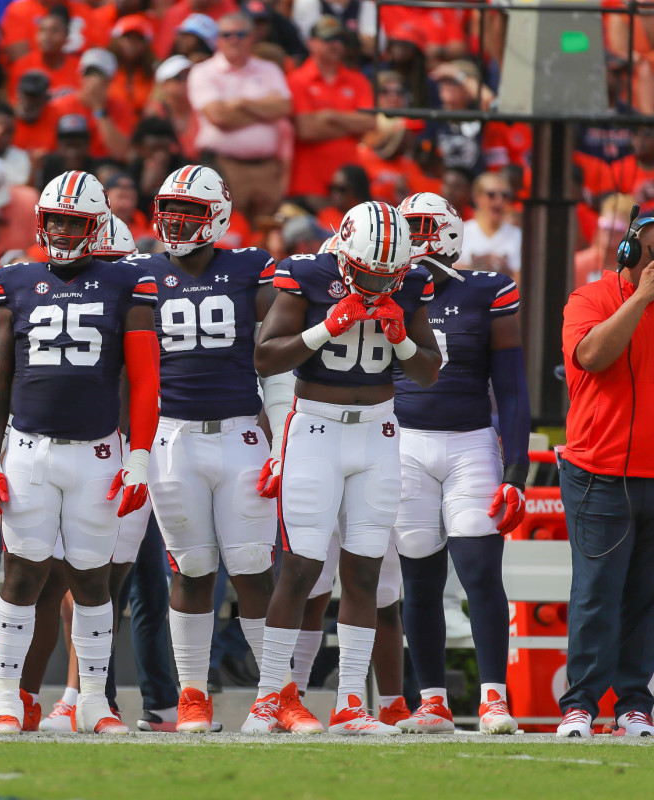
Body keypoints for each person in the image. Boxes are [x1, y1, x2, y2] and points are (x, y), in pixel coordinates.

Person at [0, 170, 161, 734]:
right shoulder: (17, 281)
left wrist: (140, 456)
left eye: (73, 220)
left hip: (98, 453)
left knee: (91, 580)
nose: (61, 229)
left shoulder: (126, 283)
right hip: (29, 449)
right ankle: (8, 696)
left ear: (95, 224)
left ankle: (94, 700)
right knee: (23, 575)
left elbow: (144, 378)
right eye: (54, 218)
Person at [252, 200, 440, 735]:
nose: (379, 282)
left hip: (378, 430)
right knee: (302, 568)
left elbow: (428, 371)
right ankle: (268, 700)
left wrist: (400, 334)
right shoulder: (306, 275)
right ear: (345, 254)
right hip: (314, 426)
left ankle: (351, 704)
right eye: (368, 272)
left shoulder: (411, 284)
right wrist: (324, 329)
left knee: (364, 569)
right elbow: (265, 356)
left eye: (389, 273)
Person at [126, 165, 278, 732]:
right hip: (171, 438)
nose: (176, 221)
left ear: (216, 215)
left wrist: (279, 425)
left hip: (239, 430)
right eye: (169, 209)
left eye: (189, 210)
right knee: (190, 569)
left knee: (253, 568)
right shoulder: (140, 272)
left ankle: (272, 695)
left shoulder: (250, 265)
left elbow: (283, 334)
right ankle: (193, 695)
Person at [392, 192, 526, 734]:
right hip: (404, 444)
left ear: (450, 233)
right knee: (419, 581)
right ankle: (432, 702)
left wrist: (514, 471)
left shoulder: (487, 290)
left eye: (426, 226)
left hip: (470, 443)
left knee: (479, 573)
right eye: (409, 227)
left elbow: (511, 387)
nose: (417, 238)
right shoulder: (389, 291)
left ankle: (495, 698)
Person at [556, 211, 654, 739]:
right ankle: (580, 704)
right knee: (598, 591)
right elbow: (593, 356)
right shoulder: (590, 299)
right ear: (631, 254)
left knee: (649, 593)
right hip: (600, 470)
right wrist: (641, 300)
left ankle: (634, 705)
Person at [188, 13, 291, 221]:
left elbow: (284, 107)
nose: (234, 40)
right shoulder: (203, 72)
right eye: (227, 35)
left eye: (240, 34)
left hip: (266, 169)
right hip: (224, 166)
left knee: (265, 233)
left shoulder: (268, 69)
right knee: (225, 230)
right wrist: (265, 111)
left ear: (252, 38)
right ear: (218, 39)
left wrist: (242, 104)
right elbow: (219, 117)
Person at [286, 16, 375, 201]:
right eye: (328, 39)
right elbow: (306, 130)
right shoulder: (296, 80)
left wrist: (329, 116)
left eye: (340, 40)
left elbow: (368, 122)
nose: (336, 45)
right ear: (311, 43)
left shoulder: (358, 81)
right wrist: (350, 125)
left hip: (350, 187)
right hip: (309, 183)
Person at [458, 172, 521, 282]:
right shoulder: (461, 232)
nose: (499, 200)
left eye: (504, 195)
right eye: (491, 195)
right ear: (477, 197)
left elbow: (521, 280)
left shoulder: (517, 235)